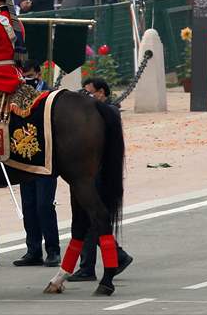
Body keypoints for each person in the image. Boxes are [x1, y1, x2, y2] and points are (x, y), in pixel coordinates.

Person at [68, 77, 133, 282]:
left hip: (100, 174)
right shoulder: (89, 115)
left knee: (92, 220)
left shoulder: (108, 112)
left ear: (102, 93)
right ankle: (113, 257)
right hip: (91, 172)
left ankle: (91, 266)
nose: (87, 97)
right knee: (91, 221)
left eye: (90, 93)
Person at [11, 60, 61, 268]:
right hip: (25, 158)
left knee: (44, 205)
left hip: (46, 159)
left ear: (38, 74)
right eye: (23, 76)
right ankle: (33, 249)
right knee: (29, 206)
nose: (26, 80)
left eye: (29, 75)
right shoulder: (18, 97)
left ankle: (53, 250)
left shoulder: (49, 96)